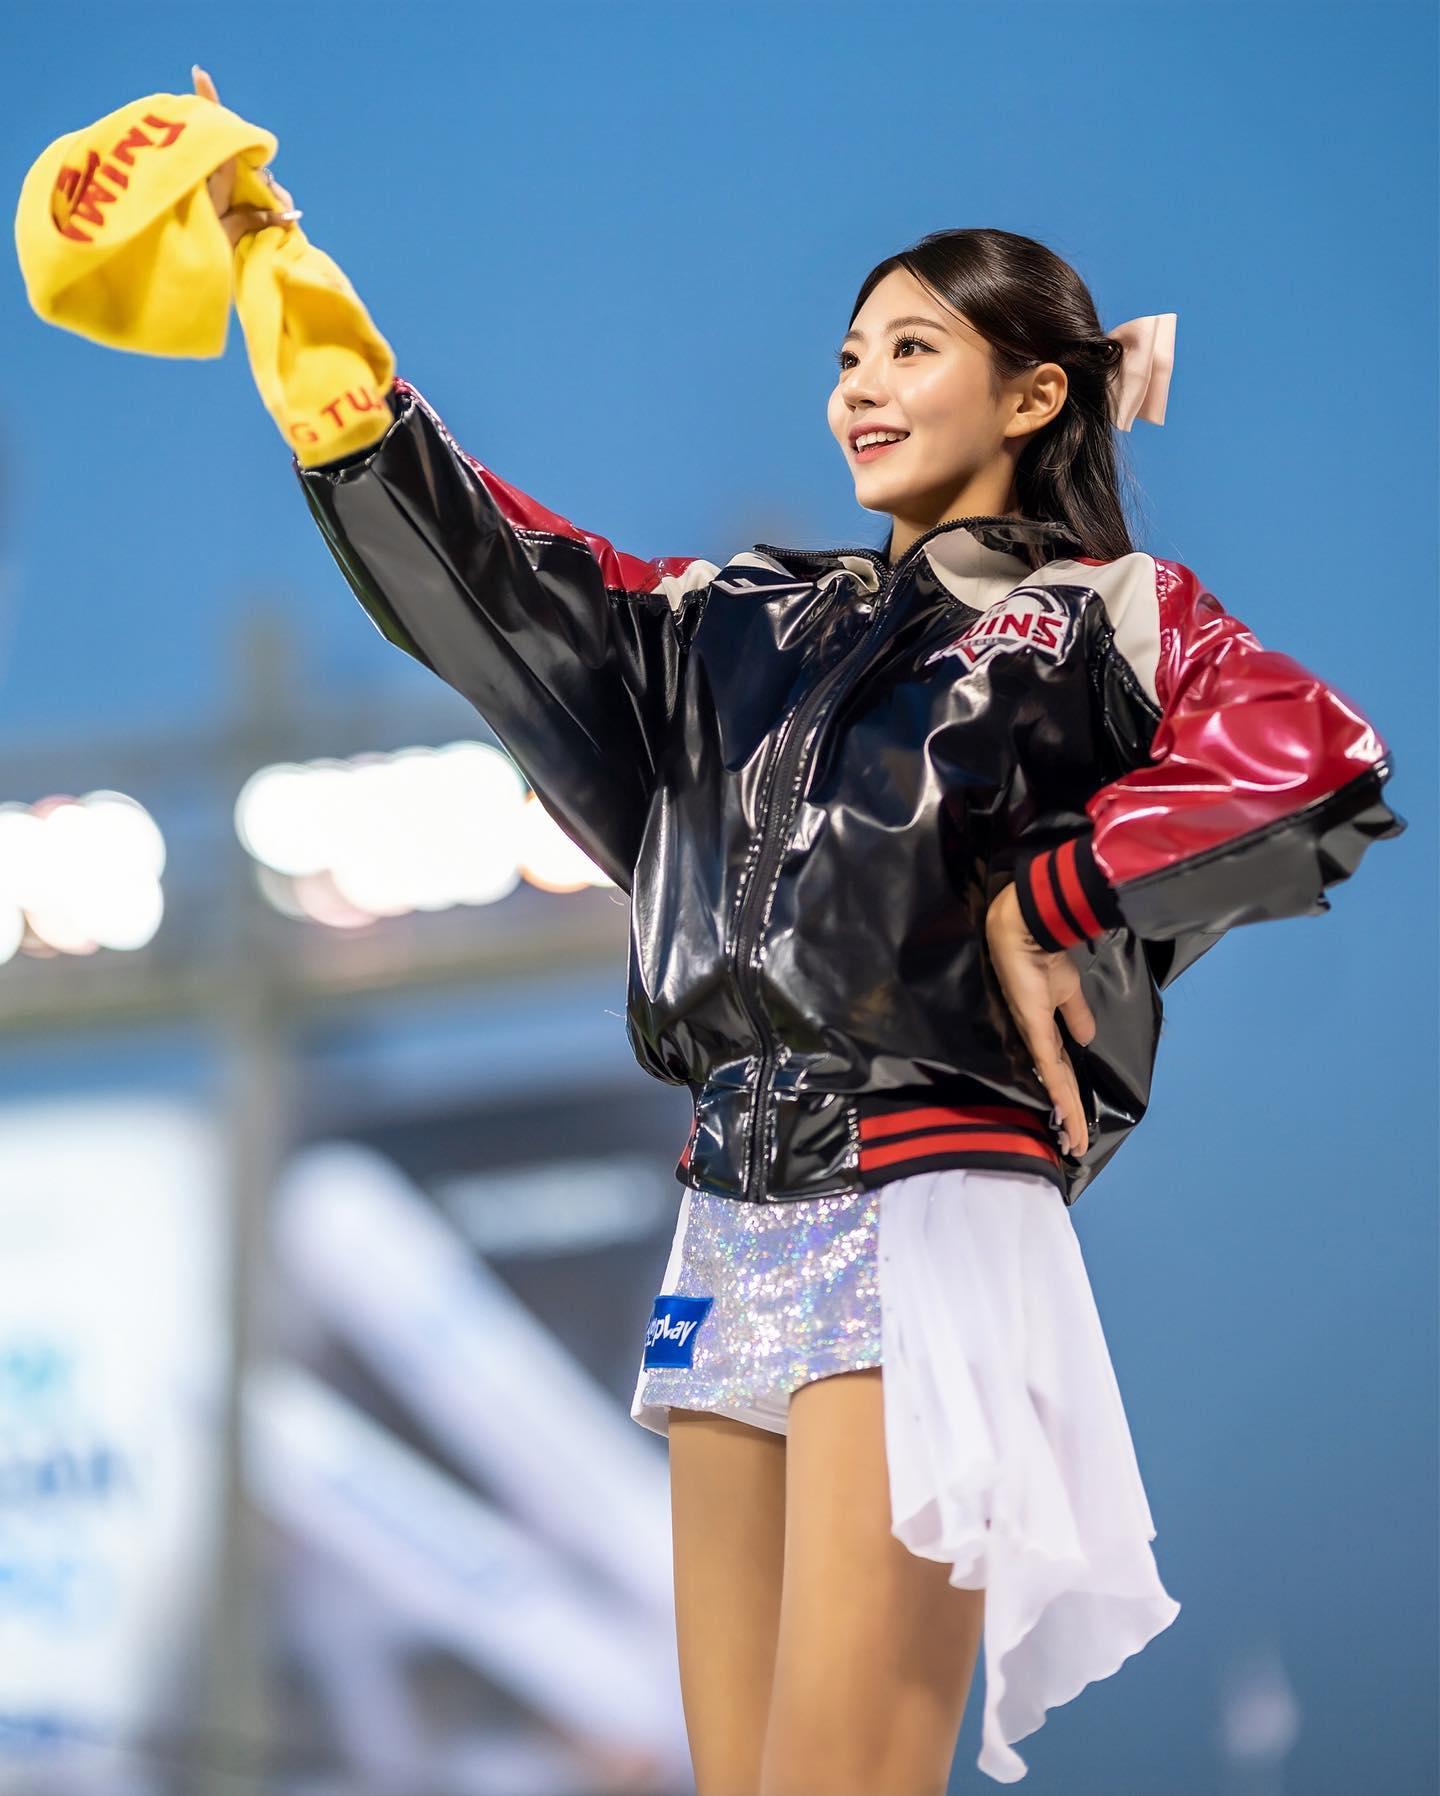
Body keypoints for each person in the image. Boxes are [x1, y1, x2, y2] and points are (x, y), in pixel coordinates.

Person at [200, 65, 1405, 1792]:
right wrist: (287, 288)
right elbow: (496, 581)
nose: (862, 386)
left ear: (1034, 392)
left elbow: (1311, 754)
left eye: (912, 347)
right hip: (724, 1210)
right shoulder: (737, 620)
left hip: (926, 1191)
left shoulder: (1110, 614)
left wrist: (1060, 891)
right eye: (849, 356)